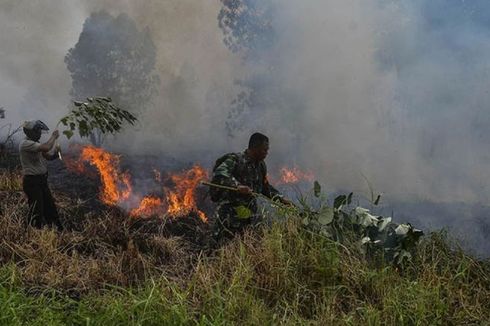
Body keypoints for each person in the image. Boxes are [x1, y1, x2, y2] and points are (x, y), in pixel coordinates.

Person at [210, 132, 292, 242]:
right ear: (255, 148)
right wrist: (237, 186)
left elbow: (264, 187)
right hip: (229, 217)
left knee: (240, 249)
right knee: (219, 247)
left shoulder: (261, 166)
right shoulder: (235, 159)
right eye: (264, 150)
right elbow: (220, 174)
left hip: (248, 217)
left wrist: (280, 198)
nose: (266, 153)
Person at [19, 120, 63, 230]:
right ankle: (33, 233)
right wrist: (53, 136)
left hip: (41, 181)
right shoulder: (26, 144)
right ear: (30, 132)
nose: (39, 133)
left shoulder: (35, 144)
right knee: (36, 210)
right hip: (32, 182)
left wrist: (56, 154)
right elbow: (46, 147)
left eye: (39, 131)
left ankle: (57, 231)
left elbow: (48, 156)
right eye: (37, 131)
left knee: (50, 208)